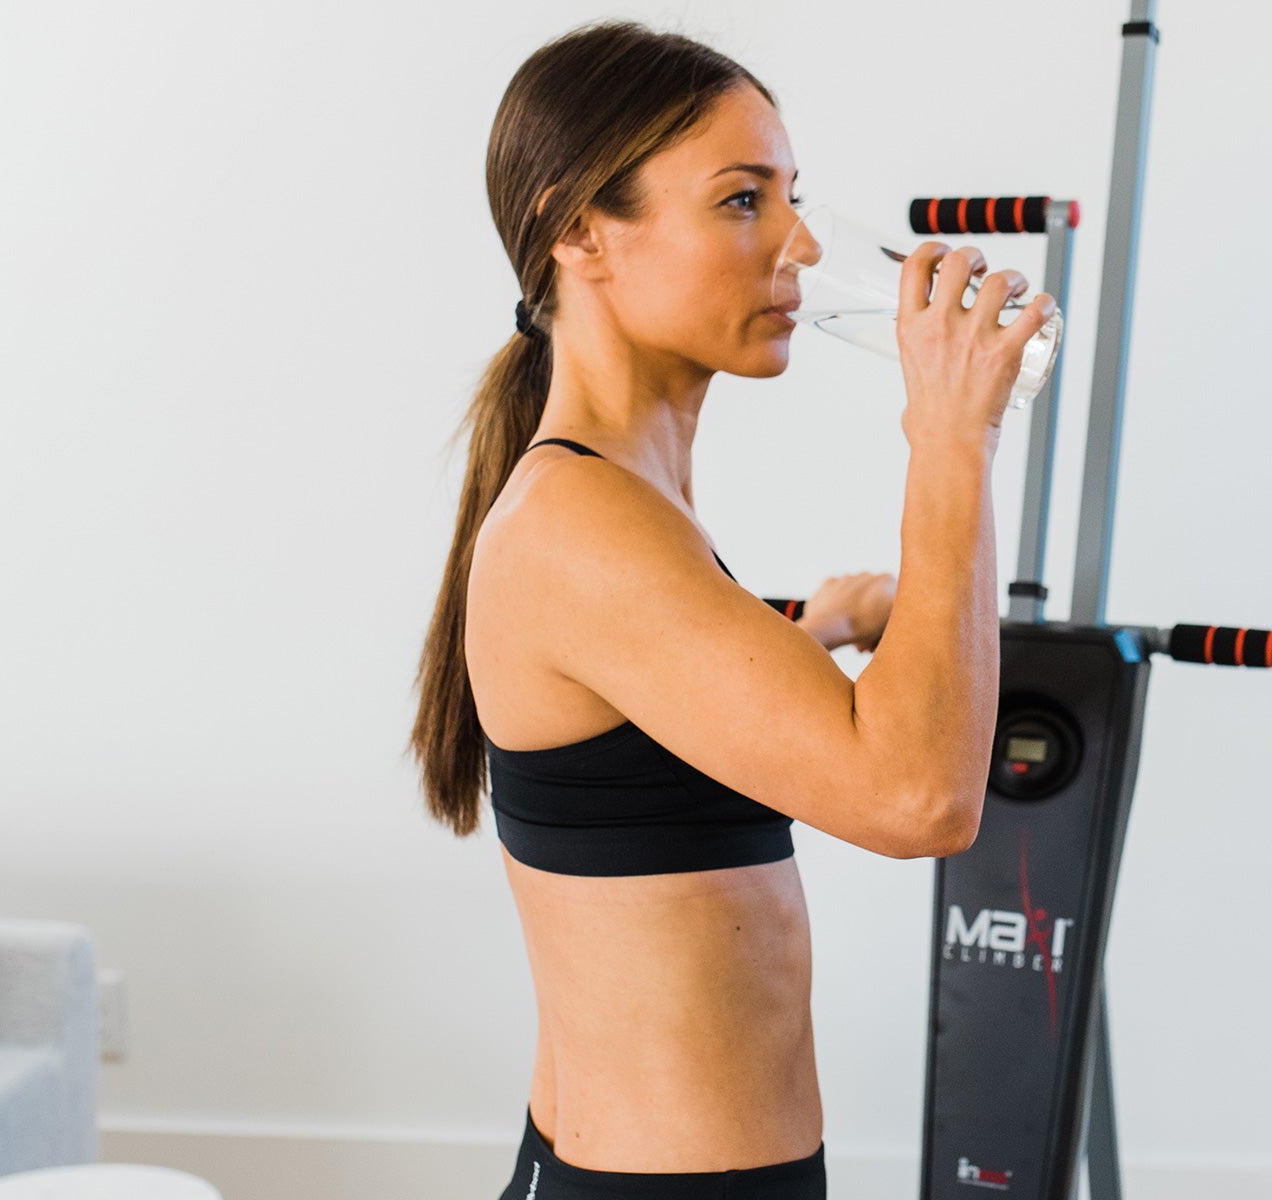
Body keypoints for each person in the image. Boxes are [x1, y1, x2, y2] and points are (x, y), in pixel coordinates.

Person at [407, 19, 1056, 1199]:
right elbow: (918, 800)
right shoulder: (581, 525)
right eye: (742, 201)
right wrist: (951, 439)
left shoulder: (616, 506)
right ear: (580, 231)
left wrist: (819, 622)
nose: (801, 246)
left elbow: (650, 723)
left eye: (789, 197)